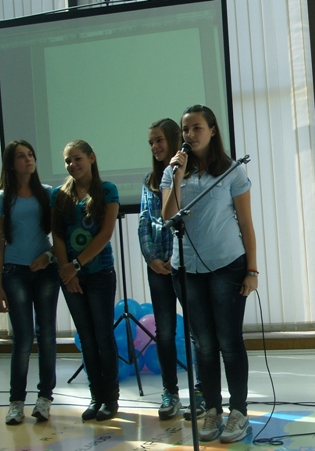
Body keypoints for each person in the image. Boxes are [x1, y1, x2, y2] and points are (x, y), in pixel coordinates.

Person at [162, 105, 257, 443]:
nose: (190, 134)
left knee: (229, 341)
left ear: (213, 130)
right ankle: (212, 409)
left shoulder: (231, 170)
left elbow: (245, 222)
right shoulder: (174, 170)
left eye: (197, 128)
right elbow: (168, 215)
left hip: (227, 264)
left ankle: (239, 412)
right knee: (203, 344)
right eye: (186, 129)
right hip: (186, 269)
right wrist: (176, 174)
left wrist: (252, 269)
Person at [138, 118, 205, 420]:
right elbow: (144, 222)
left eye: (160, 140)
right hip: (159, 267)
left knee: (196, 331)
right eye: (151, 142)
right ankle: (170, 393)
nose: (155, 146)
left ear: (174, 140)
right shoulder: (150, 181)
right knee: (164, 331)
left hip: (186, 263)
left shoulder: (188, 176)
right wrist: (151, 258)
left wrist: (177, 256)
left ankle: (201, 392)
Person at [51, 139, 121, 422]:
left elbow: (105, 234)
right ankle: (96, 396)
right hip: (71, 278)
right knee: (87, 339)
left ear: (91, 158)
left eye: (77, 158)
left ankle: (111, 398)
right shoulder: (58, 195)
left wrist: (77, 265)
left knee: (103, 337)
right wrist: (66, 271)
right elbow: (57, 236)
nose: (72, 164)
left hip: (100, 274)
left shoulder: (107, 190)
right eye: (68, 160)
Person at [0, 140, 60, 425]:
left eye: (31, 154)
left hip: (45, 271)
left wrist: (48, 256)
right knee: (22, 338)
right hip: (14, 272)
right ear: (11, 164)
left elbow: (60, 237)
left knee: (47, 335)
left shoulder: (48, 193)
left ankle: (44, 398)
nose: (28, 159)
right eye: (21, 156)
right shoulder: (3, 197)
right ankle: (16, 402)